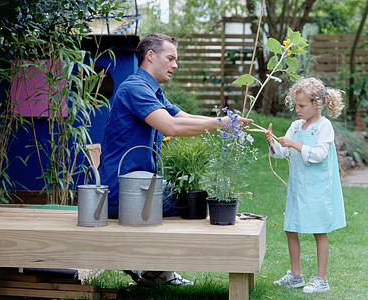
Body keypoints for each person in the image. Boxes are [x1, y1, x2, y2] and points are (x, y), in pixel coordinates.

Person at [98, 33, 253, 286]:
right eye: (170, 58)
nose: (175, 65)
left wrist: (228, 123)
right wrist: (220, 124)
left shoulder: (152, 90)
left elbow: (183, 116)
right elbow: (171, 126)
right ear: (150, 56)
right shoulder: (135, 88)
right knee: (189, 200)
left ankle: (153, 270)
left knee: (190, 198)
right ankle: (154, 270)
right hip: (120, 195)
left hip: (138, 189)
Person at [264, 77, 346, 293]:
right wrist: (272, 142)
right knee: (291, 228)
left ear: (316, 104)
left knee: (319, 231)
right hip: (298, 188)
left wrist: (294, 143)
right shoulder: (296, 126)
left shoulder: (324, 126)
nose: (297, 110)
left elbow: (319, 154)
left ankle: (321, 278)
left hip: (318, 188)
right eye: (296, 105)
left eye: (302, 105)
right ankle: (296, 275)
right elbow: (283, 154)